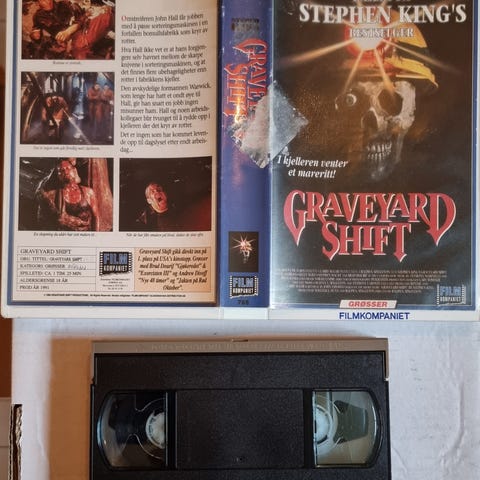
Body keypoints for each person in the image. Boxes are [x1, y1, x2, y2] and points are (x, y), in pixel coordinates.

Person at [31, 0, 113, 60]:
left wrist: (68, 31)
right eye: (43, 0)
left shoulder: (64, 4)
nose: (47, 2)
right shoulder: (38, 16)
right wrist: (35, 36)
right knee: (79, 50)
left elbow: (81, 19)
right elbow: (36, 31)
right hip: (68, 42)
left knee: (107, 17)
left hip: (80, 31)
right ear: (37, 3)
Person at [36, 158, 100, 231]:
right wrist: (58, 219)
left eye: (68, 168)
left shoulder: (88, 192)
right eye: (61, 170)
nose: (66, 172)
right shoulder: (53, 195)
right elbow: (41, 220)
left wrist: (96, 236)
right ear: (59, 176)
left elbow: (96, 217)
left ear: (74, 170)